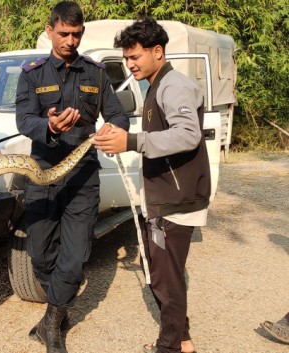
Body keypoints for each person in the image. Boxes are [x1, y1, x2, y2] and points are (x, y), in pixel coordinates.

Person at [15, 2, 129, 352]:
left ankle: (51, 326)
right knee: (40, 254)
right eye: (63, 33)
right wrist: (47, 125)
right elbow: (23, 119)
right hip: (43, 172)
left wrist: (114, 130)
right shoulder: (32, 73)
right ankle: (58, 306)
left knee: (76, 256)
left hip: (82, 176)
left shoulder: (95, 72)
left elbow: (118, 115)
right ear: (50, 31)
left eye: (76, 34)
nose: (69, 40)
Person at [93, 17, 211, 353]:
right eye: (127, 59)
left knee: (166, 279)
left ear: (157, 52)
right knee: (161, 272)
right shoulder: (157, 86)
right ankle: (181, 341)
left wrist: (131, 141)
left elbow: (188, 134)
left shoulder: (173, 85)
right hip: (166, 196)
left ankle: (170, 347)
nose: (130, 65)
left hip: (179, 199)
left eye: (135, 57)